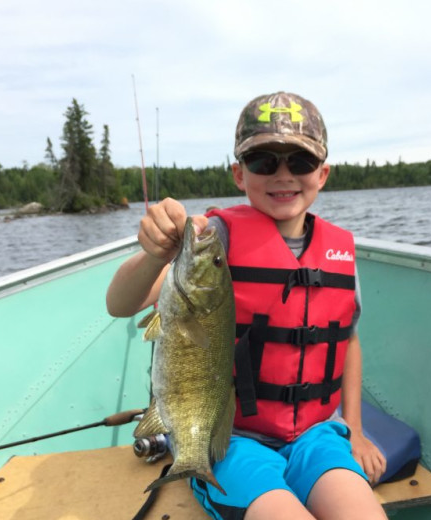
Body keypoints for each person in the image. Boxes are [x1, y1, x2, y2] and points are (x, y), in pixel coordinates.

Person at [106, 91, 388, 520]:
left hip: (316, 436)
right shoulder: (215, 237)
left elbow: (347, 341)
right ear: (239, 173)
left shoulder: (339, 251)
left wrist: (357, 430)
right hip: (230, 437)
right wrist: (155, 253)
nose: (283, 174)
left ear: (323, 173)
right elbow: (120, 303)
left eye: (300, 161)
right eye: (263, 162)